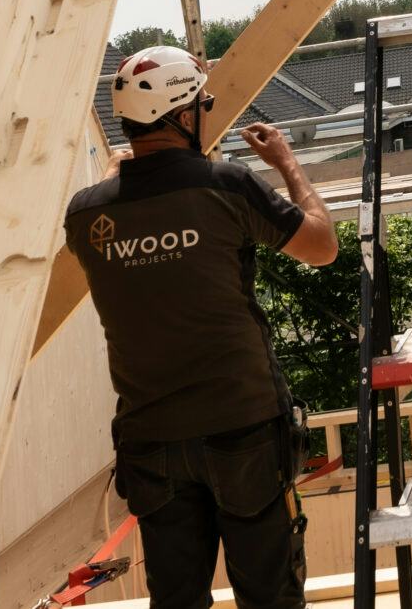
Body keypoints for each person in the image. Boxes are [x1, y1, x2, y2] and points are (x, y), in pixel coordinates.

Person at [65, 45, 338, 608]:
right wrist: (288, 163)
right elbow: (322, 247)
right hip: (243, 427)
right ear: (186, 116)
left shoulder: (86, 216)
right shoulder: (227, 186)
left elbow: (123, 190)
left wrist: (120, 169)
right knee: (269, 596)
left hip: (151, 442)